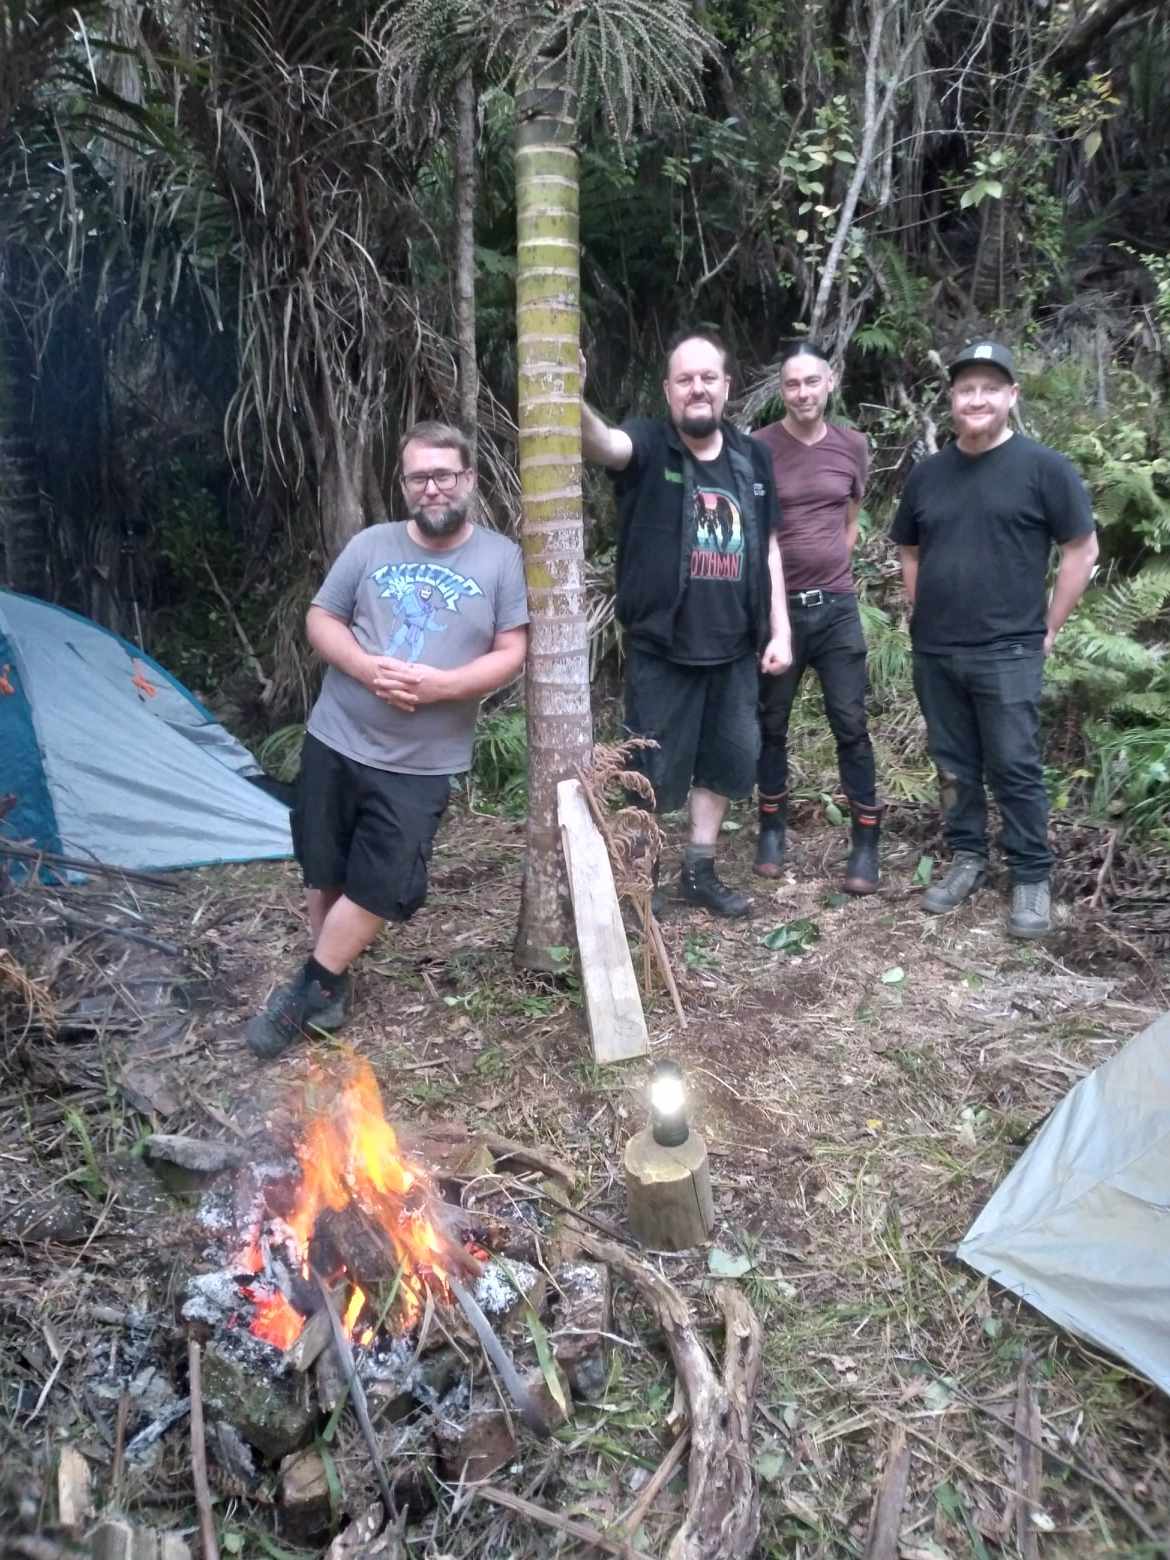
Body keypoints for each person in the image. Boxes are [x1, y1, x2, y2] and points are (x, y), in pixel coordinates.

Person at [246, 421, 529, 1057]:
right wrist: (366, 668)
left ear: (468, 479)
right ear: (404, 484)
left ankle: (306, 990)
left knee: (381, 880)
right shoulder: (371, 545)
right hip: (338, 736)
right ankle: (331, 986)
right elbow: (322, 618)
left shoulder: (500, 559)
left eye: (444, 475)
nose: (432, 488)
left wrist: (443, 686)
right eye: (419, 477)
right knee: (325, 863)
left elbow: (512, 650)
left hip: (422, 760)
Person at [580, 329, 792, 916]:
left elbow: (769, 548)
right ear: (668, 390)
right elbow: (603, 444)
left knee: (727, 761)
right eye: (684, 379)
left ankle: (699, 870)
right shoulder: (650, 444)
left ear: (726, 386)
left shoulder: (753, 457)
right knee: (650, 770)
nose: (697, 388)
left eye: (707, 377)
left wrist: (780, 630)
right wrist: (571, 397)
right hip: (663, 647)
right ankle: (638, 879)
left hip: (736, 648)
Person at [890, 341, 1098, 937]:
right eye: (966, 389)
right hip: (936, 651)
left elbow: (1082, 549)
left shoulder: (1044, 469)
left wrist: (1050, 627)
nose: (976, 399)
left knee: (1014, 766)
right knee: (953, 764)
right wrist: (923, 611)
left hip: (1009, 650)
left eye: (989, 388)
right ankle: (967, 858)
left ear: (1012, 395)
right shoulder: (929, 474)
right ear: (952, 399)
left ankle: (1031, 876)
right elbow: (910, 550)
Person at [751, 343, 881, 893]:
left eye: (811, 382)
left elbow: (850, 519)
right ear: (781, 390)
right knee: (770, 723)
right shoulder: (759, 448)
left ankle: (866, 843)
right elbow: (756, 530)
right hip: (777, 611)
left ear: (830, 383)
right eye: (791, 384)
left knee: (850, 723)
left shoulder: (853, 445)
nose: (802, 393)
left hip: (837, 608)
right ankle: (771, 830)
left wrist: (831, 570)